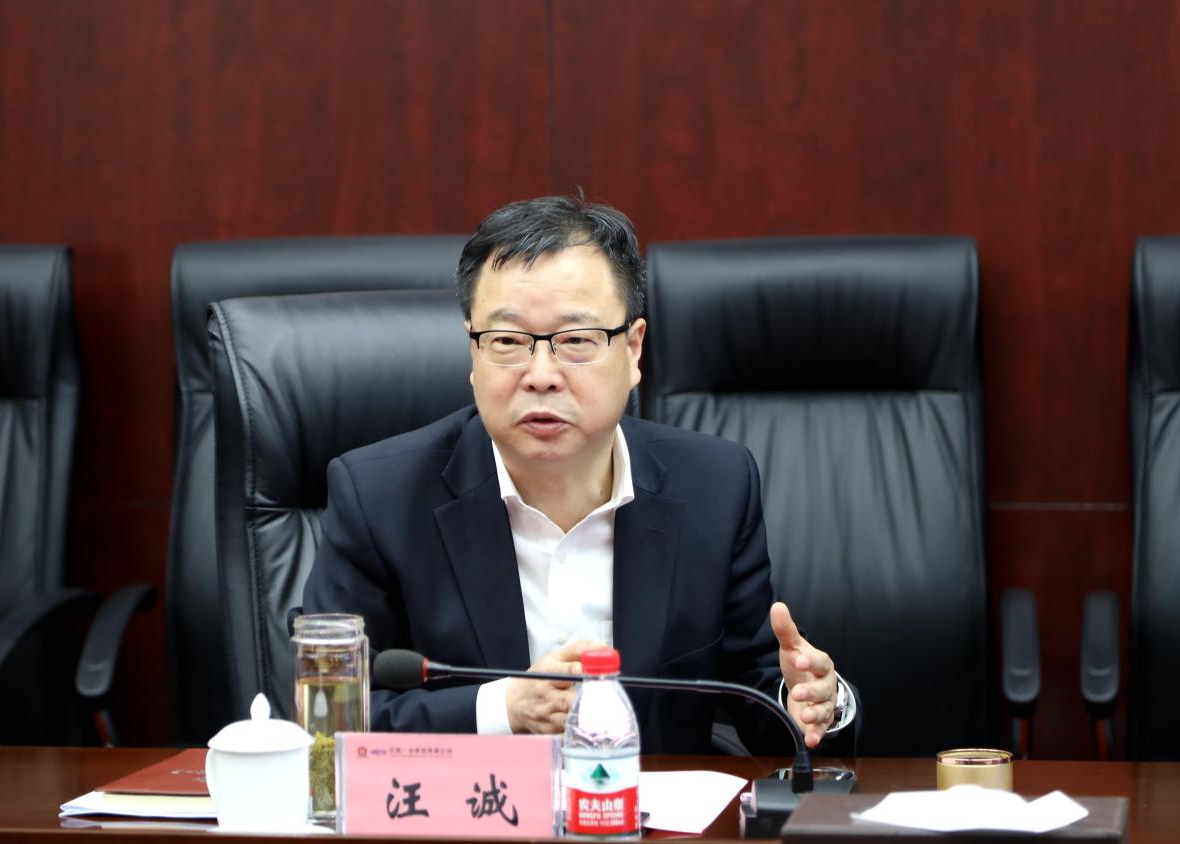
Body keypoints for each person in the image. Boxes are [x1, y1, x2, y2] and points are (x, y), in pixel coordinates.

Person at [302, 195, 857, 754]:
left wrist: (812, 704)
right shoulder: (378, 498)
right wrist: (504, 709)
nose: (541, 375)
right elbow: (327, 718)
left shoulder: (714, 487)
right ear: (473, 352)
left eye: (575, 341)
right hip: (470, 810)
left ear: (633, 351)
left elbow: (764, 696)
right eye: (507, 342)